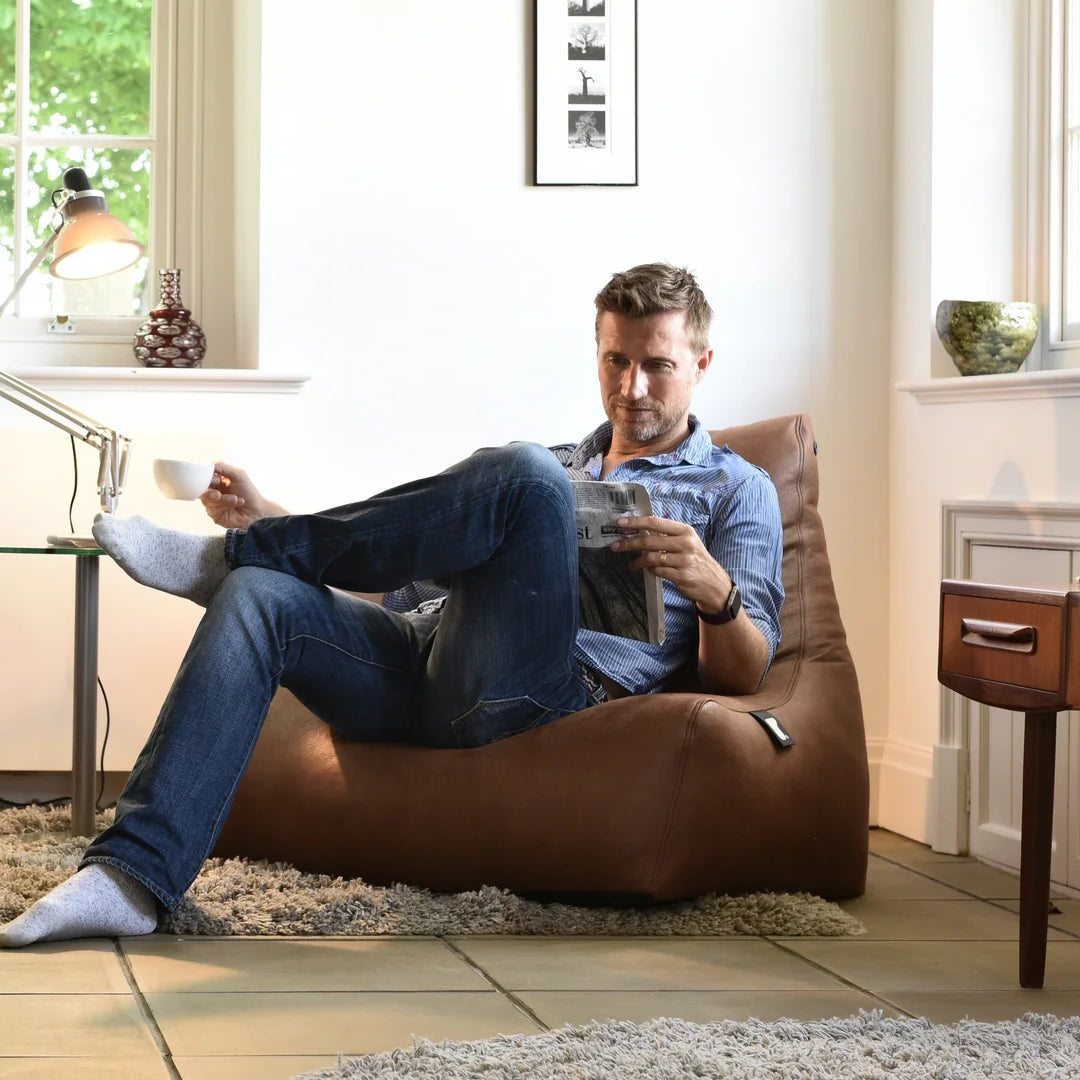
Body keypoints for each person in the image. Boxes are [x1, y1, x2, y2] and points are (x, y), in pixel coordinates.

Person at [0, 262, 784, 948]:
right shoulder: (560, 464)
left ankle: (237, 554)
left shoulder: (736, 487)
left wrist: (715, 595)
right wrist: (271, 514)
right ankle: (131, 880)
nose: (630, 387)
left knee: (520, 473)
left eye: (657, 366)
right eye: (615, 360)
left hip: (543, 696)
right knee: (261, 596)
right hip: (423, 659)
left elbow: (749, 674)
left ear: (702, 363)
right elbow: (399, 587)